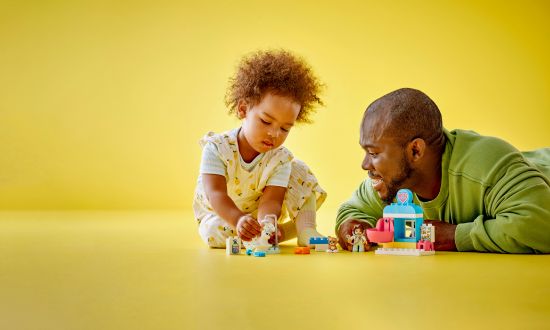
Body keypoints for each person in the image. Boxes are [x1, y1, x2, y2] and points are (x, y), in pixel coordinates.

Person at [336, 88, 550, 253]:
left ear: (416, 150)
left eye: (373, 153)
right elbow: (351, 211)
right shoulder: (394, 181)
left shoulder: (487, 165)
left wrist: (455, 235)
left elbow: (540, 225)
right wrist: (355, 228)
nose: (365, 165)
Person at [193, 49, 326, 248]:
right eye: (265, 121)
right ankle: (256, 237)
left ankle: (305, 228)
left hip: (256, 214)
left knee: (298, 169)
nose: (274, 134)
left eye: (285, 128)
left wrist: (267, 224)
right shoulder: (217, 149)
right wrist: (238, 220)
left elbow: (271, 200)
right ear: (243, 109)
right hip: (222, 213)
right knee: (212, 232)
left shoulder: (278, 159)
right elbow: (216, 194)